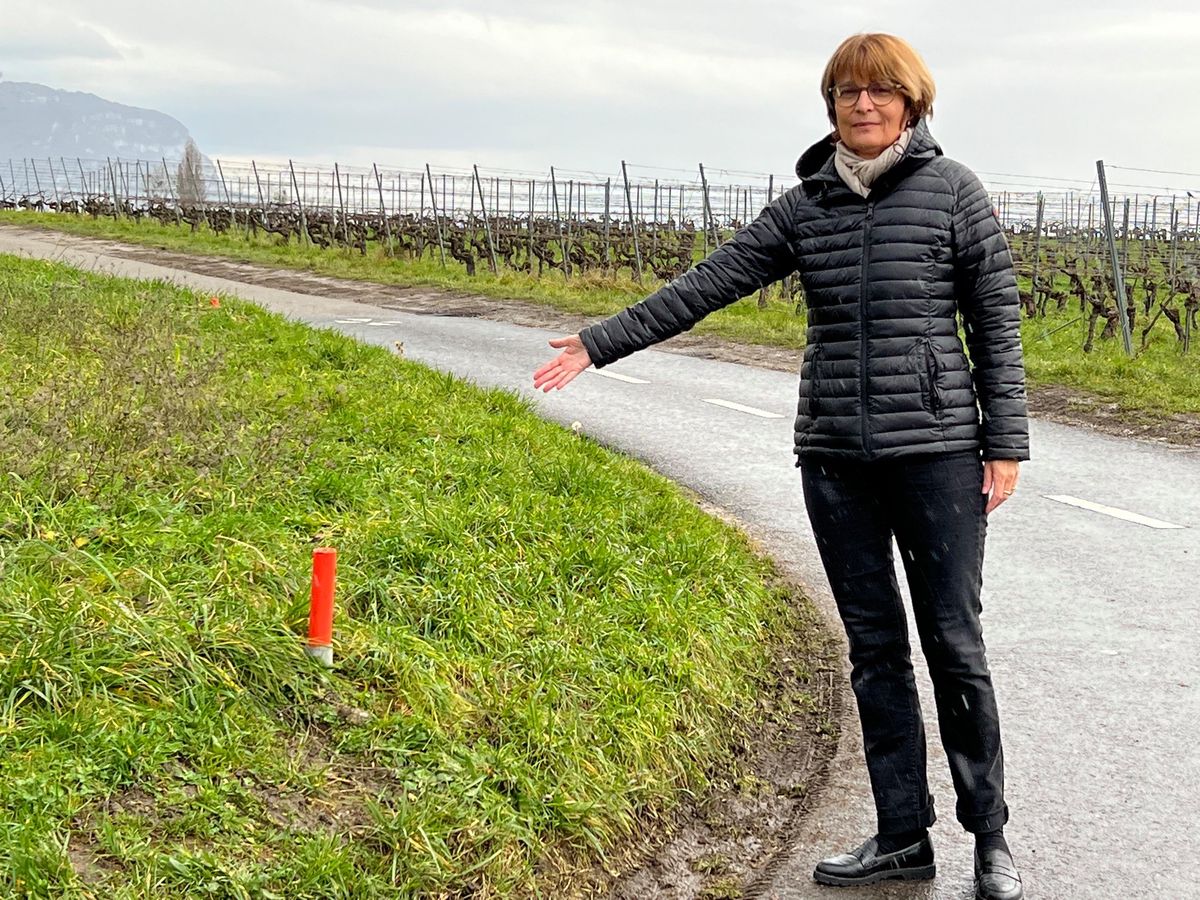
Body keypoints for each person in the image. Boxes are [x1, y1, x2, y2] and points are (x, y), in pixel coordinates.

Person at [532, 32, 1027, 900]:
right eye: (846, 92)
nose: (863, 105)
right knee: (874, 650)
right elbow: (709, 282)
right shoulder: (806, 206)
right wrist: (601, 341)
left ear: (912, 102)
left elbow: (996, 317)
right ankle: (902, 835)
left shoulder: (954, 191)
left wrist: (1005, 442)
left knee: (954, 644)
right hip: (833, 457)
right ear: (830, 106)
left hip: (938, 453)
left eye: (879, 91)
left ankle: (990, 839)